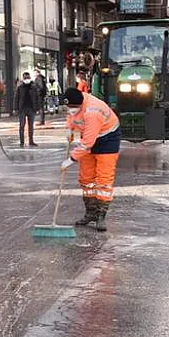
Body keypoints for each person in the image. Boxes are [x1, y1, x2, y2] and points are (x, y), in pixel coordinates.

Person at [61, 87, 121, 232]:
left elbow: (87, 143)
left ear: (80, 105)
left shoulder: (93, 112)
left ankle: (101, 216)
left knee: (104, 179)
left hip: (107, 139)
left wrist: (72, 159)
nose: (70, 110)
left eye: (73, 108)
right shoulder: (74, 103)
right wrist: (70, 128)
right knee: (86, 178)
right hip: (90, 135)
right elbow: (72, 117)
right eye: (68, 107)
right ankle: (91, 213)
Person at [14, 72, 40, 147]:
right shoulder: (20, 87)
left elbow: (37, 97)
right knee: (22, 125)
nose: (27, 79)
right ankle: (22, 142)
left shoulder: (33, 87)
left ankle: (31, 141)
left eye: (28, 78)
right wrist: (15, 108)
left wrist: (37, 108)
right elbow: (16, 98)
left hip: (31, 108)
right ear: (23, 78)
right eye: (25, 78)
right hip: (22, 109)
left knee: (31, 126)